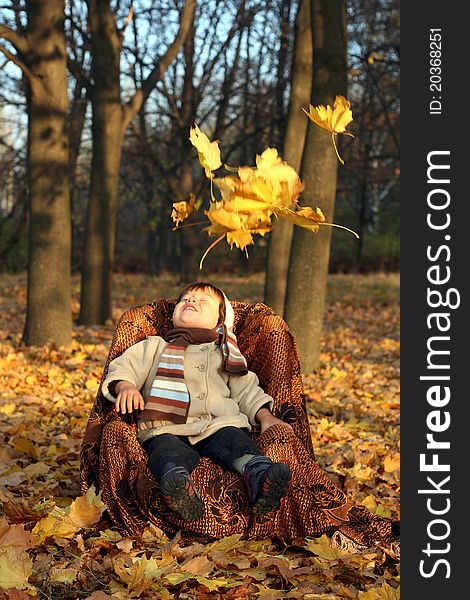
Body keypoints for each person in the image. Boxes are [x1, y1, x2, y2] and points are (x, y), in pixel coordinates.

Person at [101, 282, 292, 521]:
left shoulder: (225, 353)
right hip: (166, 426)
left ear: (220, 322)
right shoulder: (156, 346)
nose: (191, 302)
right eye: (186, 300)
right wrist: (126, 386)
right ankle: (178, 486)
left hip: (218, 423)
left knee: (236, 441)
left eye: (203, 302)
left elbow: (246, 390)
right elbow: (125, 366)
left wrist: (267, 418)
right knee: (166, 451)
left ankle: (260, 477)